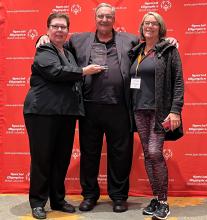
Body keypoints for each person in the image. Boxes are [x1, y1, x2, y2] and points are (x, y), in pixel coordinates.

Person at [37, 3, 177, 213]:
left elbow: (152, 46)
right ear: (95, 18)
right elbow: (56, 48)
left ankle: (119, 197)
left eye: (108, 17)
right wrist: (41, 37)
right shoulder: (77, 40)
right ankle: (90, 195)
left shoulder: (128, 40)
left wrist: (170, 41)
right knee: (89, 153)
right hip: (89, 108)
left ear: (114, 19)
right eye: (101, 16)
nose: (104, 20)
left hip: (120, 107)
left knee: (121, 154)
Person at [23, 13, 103, 219]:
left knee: (61, 159)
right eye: (55, 27)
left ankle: (57, 199)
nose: (59, 30)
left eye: (63, 27)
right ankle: (38, 202)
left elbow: (67, 70)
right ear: (48, 30)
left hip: (66, 113)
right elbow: (55, 72)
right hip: (42, 112)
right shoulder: (44, 49)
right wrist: (84, 71)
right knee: (42, 159)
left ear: (68, 31)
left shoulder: (67, 51)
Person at [129, 12, 184, 219]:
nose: (149, 26)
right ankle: (155, 197)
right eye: (146, 23)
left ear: (160, 28)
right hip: (139, 110)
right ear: (141, 27)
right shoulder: (137, 51)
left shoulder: (169, 50)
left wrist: (175, 109)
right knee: (148, 154)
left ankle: (163, 202)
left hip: (159, 111)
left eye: (153, 23)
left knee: (154, 153)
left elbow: (178, 81)